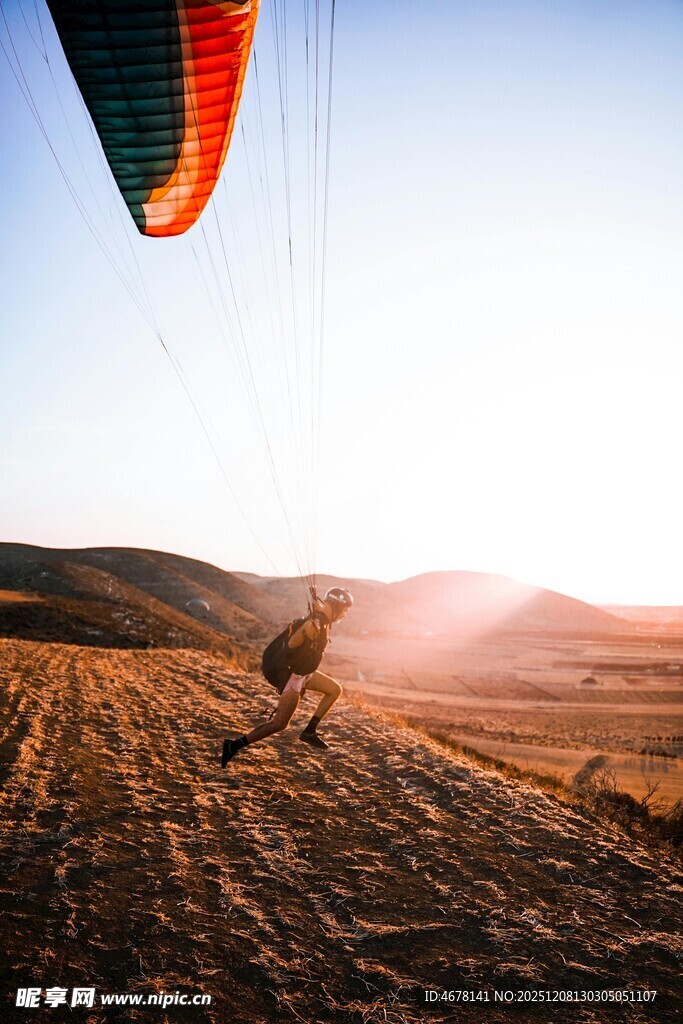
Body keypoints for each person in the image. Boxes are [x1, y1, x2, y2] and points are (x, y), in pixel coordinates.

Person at [221, 587, 353, 767]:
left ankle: (310, 731)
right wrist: (307, 631)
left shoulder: (321, 620)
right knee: (279, 723)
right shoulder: (315, 622)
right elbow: (292, 644)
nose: (345, 615)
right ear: (337, 606)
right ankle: (233, 746)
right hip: (294, 676)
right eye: (345, 610)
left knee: (335, 689)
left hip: (305, 673)